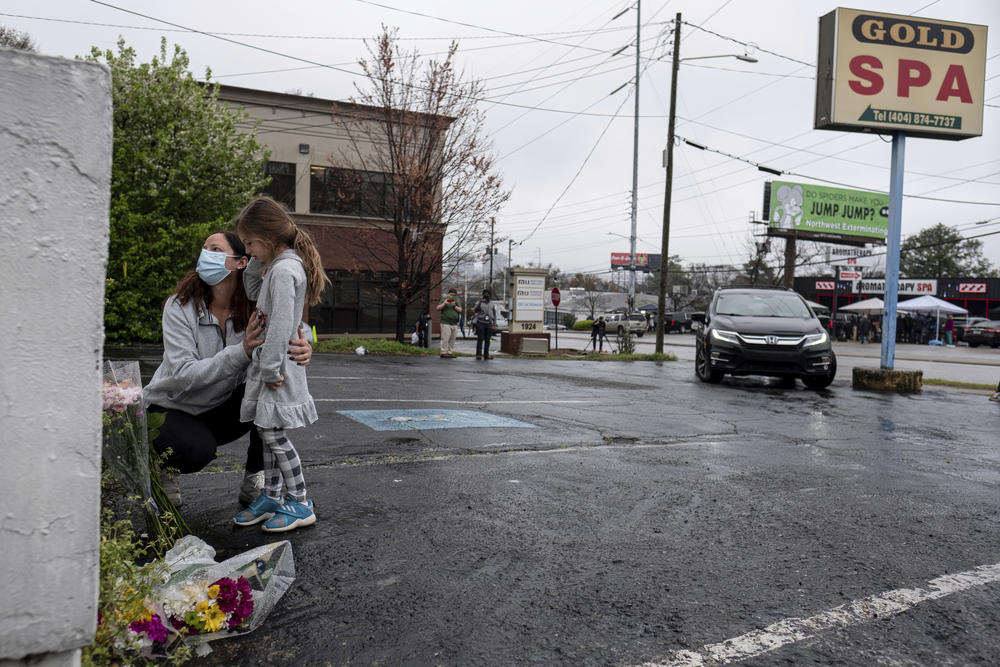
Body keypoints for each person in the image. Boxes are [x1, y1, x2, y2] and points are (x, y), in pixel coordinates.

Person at [144, 231, 313, 508]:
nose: (206, 254)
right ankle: (165, 467)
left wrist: (304, 347)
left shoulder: (253, 307)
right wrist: (242, 351)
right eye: (204, 248)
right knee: (195, 451)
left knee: (271, 393)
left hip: (218, 409)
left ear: (241, 263)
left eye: (215, 248)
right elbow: (184, 375)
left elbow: (290, 325)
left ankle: (254, 479)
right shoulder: (179, 306)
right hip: (172, 408)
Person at [232, 196, 328, 533]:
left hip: (278, 369)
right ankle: (272, 496)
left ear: (268, 237)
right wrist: (261, 259)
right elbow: (254, 287)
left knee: (273, 434)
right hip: (271, 367)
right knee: (266, 430)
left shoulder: (286, 270)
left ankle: (300, 501)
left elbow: (283, 324)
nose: (248, 250)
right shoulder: (277, 267)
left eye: (250, 242)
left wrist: (271, 367)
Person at [472, 289, 499, 360]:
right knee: (480, 339)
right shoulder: (479, 302)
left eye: (488, 294)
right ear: (483, 294)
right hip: (480, 322)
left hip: (489, 323)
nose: (486, 295)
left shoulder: (492, 303)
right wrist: (479, 303)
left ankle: (486, 354)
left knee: (488, 339)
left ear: (490, 295)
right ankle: (478, 354)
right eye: (485, 294)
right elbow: (475, 310)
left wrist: (495, 324)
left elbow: (494, 314)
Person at [437, 288, 462, 358]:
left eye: (453, 295)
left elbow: (460, 310)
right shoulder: (444, 300)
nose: (452, 296)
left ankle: (450, 352)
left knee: (452, 339)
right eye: (451, 295)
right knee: (445, 338)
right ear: (448, 294)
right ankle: (443, 352)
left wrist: (454, 306)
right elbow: (438, 308)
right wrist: (445, 303)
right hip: (445, 322)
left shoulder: (457, 301)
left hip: (454, 323)